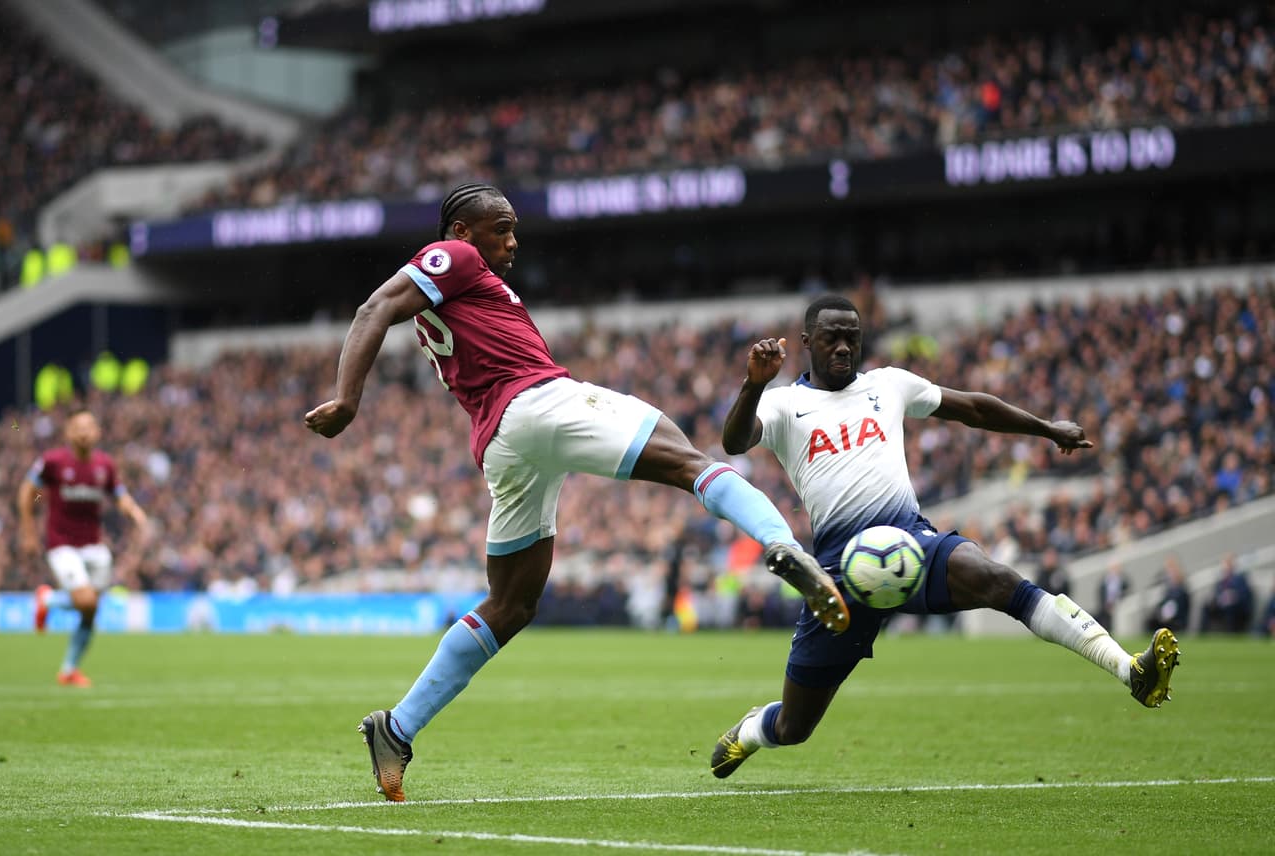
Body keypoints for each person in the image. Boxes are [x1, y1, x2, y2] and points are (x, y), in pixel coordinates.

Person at [303, 183, 849, 801]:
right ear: (461, 231)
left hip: (503, 443)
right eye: (501, 228)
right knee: (685, 461)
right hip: (537, 403)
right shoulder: (454, 257)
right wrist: (349, 396)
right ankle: (784, 546)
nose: (512, 240)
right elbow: (374, 308)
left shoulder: (463, 285)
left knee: (510, 605)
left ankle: (396, 729)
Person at [708, 294, 1181, 779]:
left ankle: (1130, 670)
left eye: (853, 336)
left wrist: (1046, 428)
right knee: (794, 727)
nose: (845, 346)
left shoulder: (889, 385)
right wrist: (753, 385)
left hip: (912, 544)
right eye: (833, 337)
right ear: (808, 342)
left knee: (996, 578)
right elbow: (734, 441)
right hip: (836, 577)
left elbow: (973, 408)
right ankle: (750, 731)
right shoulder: (787, 404)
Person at [17, 408, 149, 686]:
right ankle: (48, 600)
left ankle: (68, 670)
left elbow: (119, 494)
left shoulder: (105, 465)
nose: (84, 432)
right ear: (68, 433)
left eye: (89, 427)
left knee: (90, 609)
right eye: (78, 427)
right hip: (61, 543)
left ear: (98, 432)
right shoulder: (53, 461)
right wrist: (28, 531)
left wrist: (134, 512)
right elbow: (27, 491)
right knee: (86, 601)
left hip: (94, 546)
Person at [1200, 552, 1254, 634]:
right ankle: (1203, 633)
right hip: (1221, 606)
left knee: (1230, 607)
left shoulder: (1240, 578)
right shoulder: (1221, 580)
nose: (1227, 565)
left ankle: (1230, 633)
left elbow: (1245, 596)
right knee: (1206, 606)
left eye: (1229, 562)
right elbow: (1216, 594)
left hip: (1236, 608)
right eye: (1225, 562)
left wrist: (1233, 596)